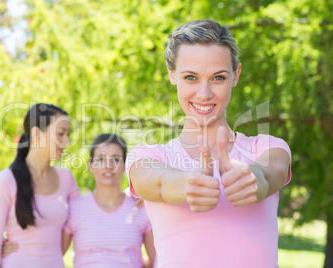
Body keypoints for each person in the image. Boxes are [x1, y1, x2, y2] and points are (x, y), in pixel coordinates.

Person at [126, 19, 291, 267]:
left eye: (218, 78)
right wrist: (186, 183)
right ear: (172, 75)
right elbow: (159, 182)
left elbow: (269, 175)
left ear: (236, 75)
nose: (204, 93)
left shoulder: (266, 148)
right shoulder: (147, 156)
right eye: (191, 77)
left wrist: (252, 177)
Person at [0, 103, 79, 268]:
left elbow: (88, 213)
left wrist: (133, 196)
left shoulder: (66, 178)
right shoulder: (6, 180)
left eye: (67, 134)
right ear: (37, 133)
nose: (67, 141)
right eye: (61, 134)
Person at [61, 134, 156, 268]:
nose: (108, 166)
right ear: (91, 166)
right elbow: (53, 256)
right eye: (100, 159)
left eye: (116, 159)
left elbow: (158, 261)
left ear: (124, 166)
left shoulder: (140, 208)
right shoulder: (74, 208)